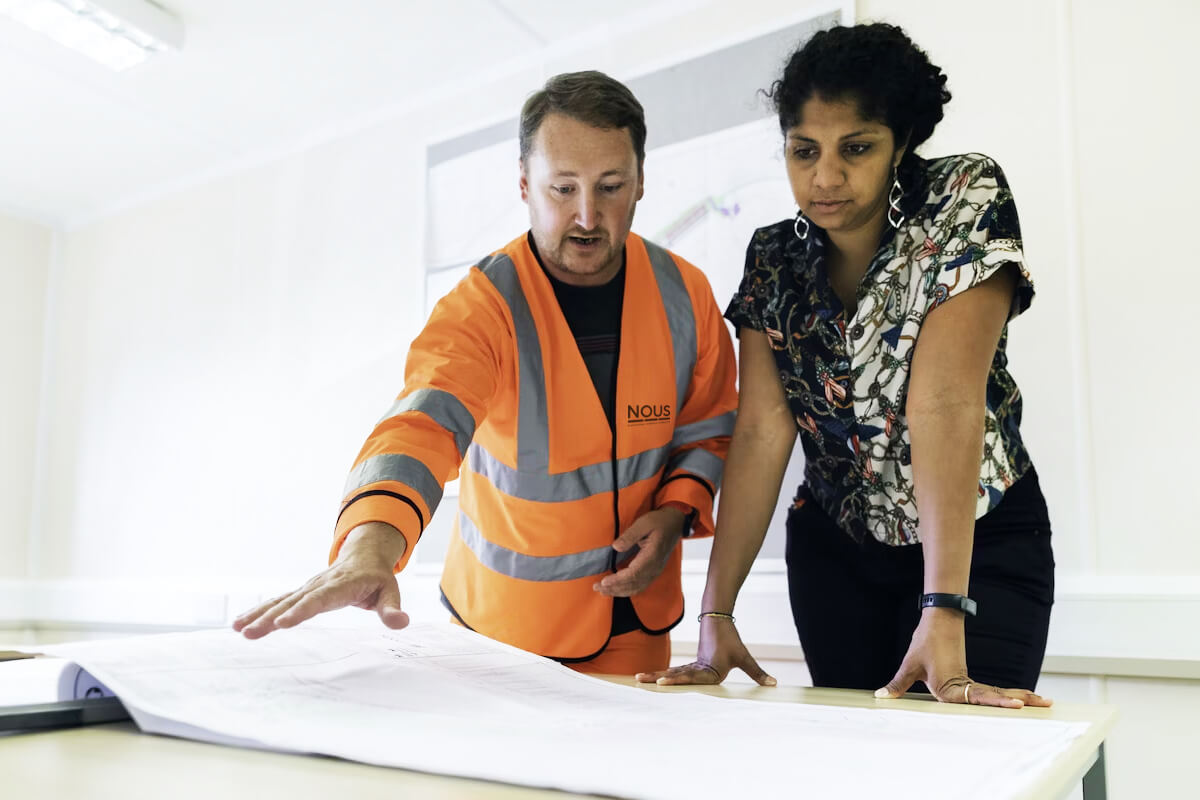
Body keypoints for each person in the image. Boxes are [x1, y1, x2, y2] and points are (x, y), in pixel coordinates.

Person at [233, 71, 739, 676]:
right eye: (562, 189)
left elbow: (707, 428)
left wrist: (677, 510)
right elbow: (421, 427)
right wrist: (369, 546)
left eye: (611, 187)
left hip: (637, 626)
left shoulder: (686, 294)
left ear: (641, 182)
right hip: (504, 638)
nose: (587, 215)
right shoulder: (481, 307)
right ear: (524, 184)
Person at [638, 23, 1055, 709]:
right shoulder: (773, 258)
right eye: (804, 150)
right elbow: (762, 431)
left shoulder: (963, 196)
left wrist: (943, 607)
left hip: (979, 545)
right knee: (857, 754)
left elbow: (943, 402)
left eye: (856, 148)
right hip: (836, 555)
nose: (825, 177)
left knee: (966, 750)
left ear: (901, 143)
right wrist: (716, 614)